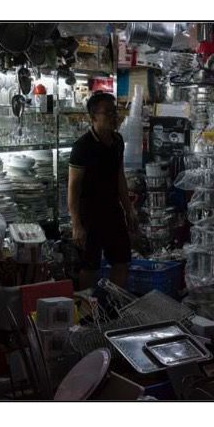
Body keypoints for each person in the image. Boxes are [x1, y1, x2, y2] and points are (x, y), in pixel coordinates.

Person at [68, 93, 138, 290]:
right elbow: (73, 187)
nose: (113, 116)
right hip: (89, 213)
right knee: (90, 265)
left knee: (121, 260)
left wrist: (129, 209)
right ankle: (87, 311)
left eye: (114, 111)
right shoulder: (82, 147)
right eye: (107, 112)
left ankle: (116, 307)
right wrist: (76, 224)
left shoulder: (117, 141)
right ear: (93, 117)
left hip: (112, 210)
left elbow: (120, 177)